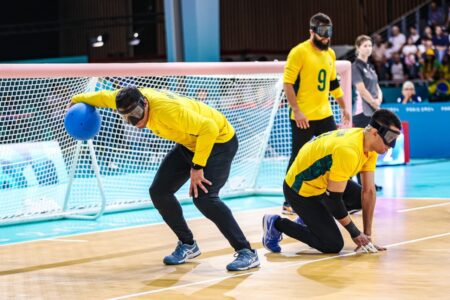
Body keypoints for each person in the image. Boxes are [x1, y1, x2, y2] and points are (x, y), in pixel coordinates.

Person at [70, 87, 259, 271]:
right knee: (159, 192)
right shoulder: (126, 100)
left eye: (135, 113)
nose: (133, 121)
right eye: (127, 118)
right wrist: (76, 100)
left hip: (218, 142)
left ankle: (246, 251)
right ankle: (188, 245)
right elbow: (102, 97)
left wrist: (197, 166)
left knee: (205, 199)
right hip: (190, 143)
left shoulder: (167, 111)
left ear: (145, 102)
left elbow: (208, 128)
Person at [262, 109, 402, 254]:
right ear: (374, 133)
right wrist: (355, 233)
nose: (391, 146)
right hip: (299, 190)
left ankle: (308, 220)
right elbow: (333, 201)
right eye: (390, 139)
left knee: (360, 199)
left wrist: (367, 236)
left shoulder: (369, 145)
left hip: (322, 182)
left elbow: (369, 192)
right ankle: (276, 224)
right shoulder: (348, 151)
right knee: (332, 244)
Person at [282, 12, 351, 215]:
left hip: (324, 114)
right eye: (322, 32)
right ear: (312, 31)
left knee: (335, 151)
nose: (326, 37)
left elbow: (332, 83)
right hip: (303, 116)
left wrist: (343, 106)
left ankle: (335, 198)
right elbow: (288, 83)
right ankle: (289, 201)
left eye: (329, 32)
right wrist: (297, 110)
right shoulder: (299, 52)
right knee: (298, 157)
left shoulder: (329, 54)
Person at [352, 35, 384, 191]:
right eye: (365, 45)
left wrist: (379, 100)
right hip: (361, 113)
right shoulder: (355, 66)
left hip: (373, 111)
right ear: (358, 48)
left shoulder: (370, 67)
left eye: (370, 45)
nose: (368, 48)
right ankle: (360, 184)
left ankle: (369, 182)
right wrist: (374, 103)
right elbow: (361, 90)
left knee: (371, 150)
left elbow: (377, 87)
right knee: (362, 149)